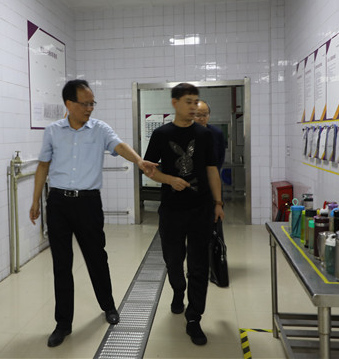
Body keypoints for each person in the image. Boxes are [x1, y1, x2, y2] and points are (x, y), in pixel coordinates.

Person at [29, 79, 157, 348]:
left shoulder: (100, 129)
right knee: (61, 264)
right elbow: (43, 166)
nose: (90, 108)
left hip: (88, 203)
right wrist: (35, 201)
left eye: (92, 103)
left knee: (96, 257)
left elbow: (119, 145)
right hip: (58, 203)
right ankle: (63, 324)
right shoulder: (52, 131)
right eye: (85, 103)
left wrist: (138, 160)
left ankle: (108, 306)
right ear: (69, 104)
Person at [143, 83, 224, 346]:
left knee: (199, 265)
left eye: (195, 101)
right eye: (188, 101)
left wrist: (218, 203)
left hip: (201, 209)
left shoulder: (204, 135)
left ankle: (194, 317)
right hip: (172, 210)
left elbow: (212, 170)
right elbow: (149, 169)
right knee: (173, 261)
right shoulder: (161, 134)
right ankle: (178, 290)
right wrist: (170, 180)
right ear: (175, 103)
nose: (193, 106)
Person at [195, 100, 226, 172]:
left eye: (205, 115)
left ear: (209, 115)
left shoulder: (217, 133)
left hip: (211, 174)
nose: (202, 119)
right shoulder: (185, 132)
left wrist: (214, 173)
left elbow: (220, 157)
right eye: (198, 115)